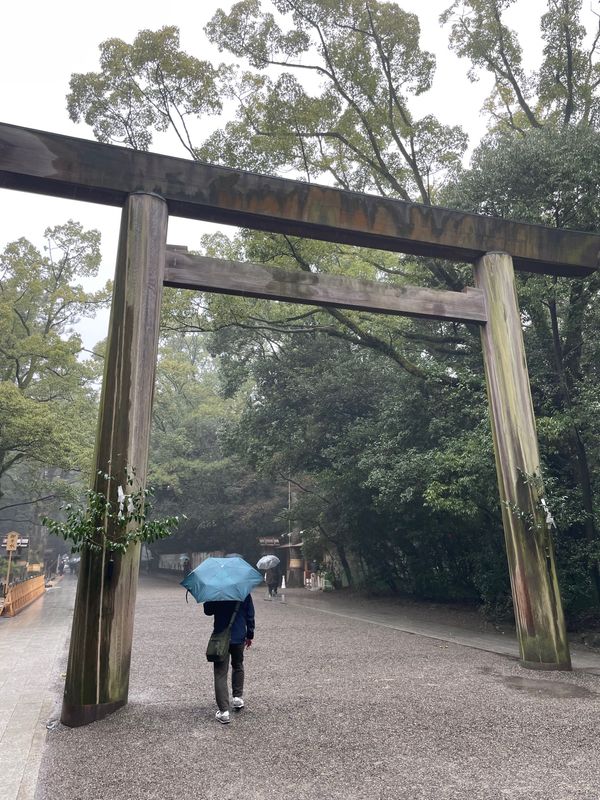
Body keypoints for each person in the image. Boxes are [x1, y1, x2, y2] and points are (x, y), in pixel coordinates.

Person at [203, 594, 255, 724]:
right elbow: (250, 614)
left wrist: (209, 597)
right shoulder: (243, 591)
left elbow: (207, 611)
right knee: (238, 665)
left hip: (221, 637)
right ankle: (237, 698)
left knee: (220, 673)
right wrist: (250, 634)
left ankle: (224, 711)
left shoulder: (216, 592)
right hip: (239, 636)